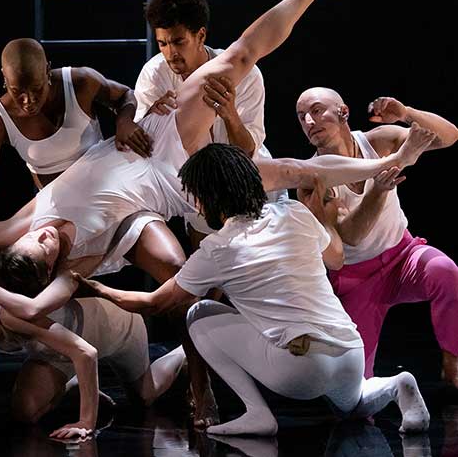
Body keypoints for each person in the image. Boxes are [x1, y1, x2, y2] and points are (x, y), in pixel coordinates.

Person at [0, 0, 435, 426]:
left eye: (34, 239)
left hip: (167, 143)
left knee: (249, 72)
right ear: (51, 267)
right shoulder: (72, 264)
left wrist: (140, 118)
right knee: (275, 196)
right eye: (46, 250)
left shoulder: (20, 224)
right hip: (182, 184)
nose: (44, 237)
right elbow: (36, 305)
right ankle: (246, 376)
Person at [70, 143, 431, 436]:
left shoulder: (217, 248)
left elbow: (155, 302)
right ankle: (396, 384)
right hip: (351, 352)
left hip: (300, 369)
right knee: (352, 407)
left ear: (207, 198)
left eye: (195, 197)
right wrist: (323, 217)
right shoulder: (293, 212)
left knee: (198, 313)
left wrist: (97, 288)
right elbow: (336, 259)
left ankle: (256, 413)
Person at [123, 0, 288, 424]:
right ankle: (201, 386)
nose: (170, 53)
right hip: (200, 195)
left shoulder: (244, 74)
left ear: (200, 35)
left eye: (178, 42)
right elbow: (150, 149)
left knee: (258, 288)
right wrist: (148, 119)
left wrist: (229, 112)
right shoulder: (154, 74)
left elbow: (248, 151)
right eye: (162, 43)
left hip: (252, 189)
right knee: (198, 291)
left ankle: (286, 373)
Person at [295, 87, 458, 386]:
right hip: (357, 279)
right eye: (301, 116)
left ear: (343, 112)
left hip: (403, 256)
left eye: (316, 111)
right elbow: (351, 236)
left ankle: (453, 362)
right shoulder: (312, 178)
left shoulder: (376, 141)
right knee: (354, 384)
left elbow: (449, 136)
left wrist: (407, 113)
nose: (308, 121)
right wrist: (379, 190)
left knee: (445, 271)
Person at [0, 247, 185, 439]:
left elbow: (86, 353)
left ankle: (184, 351)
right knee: (25, 410)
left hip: (115, 328)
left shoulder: (6, 315)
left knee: (145, 395)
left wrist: (86, 422)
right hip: (60, 351)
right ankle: (75, 382)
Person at [0, 38, 137, 220]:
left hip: (107, 194)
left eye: (36, 89)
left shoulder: (79, 82)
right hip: (58, 214)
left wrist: (124, 121)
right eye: (17, 92)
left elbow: (126, 94)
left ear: (47, 70)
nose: (28, 101)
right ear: (4, 78)